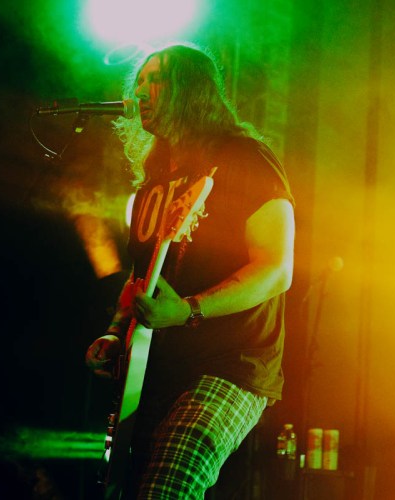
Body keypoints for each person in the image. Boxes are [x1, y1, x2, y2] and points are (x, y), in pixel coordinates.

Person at [85, 43, 295, 499]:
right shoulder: (151, 185)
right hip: (158, 370)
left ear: (194, 90)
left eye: (156, 79)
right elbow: (141, 279)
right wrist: (117, 332)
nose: (141, 91)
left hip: (231, 364)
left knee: (168, 488)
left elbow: (276, 268)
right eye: (139, 80)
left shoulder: (245, 157)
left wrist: (189, 310)